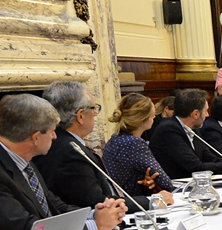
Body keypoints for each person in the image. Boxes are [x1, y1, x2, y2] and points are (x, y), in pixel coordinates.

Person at [0, 93, 125, 230]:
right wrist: (95, 226)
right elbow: (26, 228)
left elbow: (56, 206)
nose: (55, 137)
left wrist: (96, 213)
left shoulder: (24, 161)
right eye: (52, 131)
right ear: (35, 137)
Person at [34, 80, 148, 210]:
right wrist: (152, 201)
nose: (96, 113)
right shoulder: (71, 151)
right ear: (80, 116)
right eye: (94, 108)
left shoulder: (57, 142)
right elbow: (98, 202)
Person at [151, 89, 222, 178]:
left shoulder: (194, 128)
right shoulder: (169, 130)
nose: (207, 115)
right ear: (196, 114)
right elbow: (195, 167)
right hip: (177, 188)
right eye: (205, 111)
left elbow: (210, 158)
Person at [102, 95, 177, 204]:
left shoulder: (115, 139)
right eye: (152, 115)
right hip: (131, 203)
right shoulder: (133, 143)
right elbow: (166, 183)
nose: (155, 117)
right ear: (142, 119)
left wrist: (149, 182)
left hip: (124, 198)